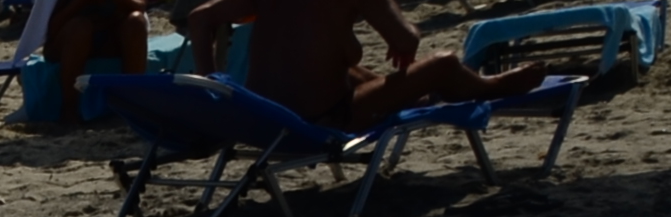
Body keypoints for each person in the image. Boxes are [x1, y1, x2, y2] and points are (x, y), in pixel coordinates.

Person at [184, 0, 542, 125]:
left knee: (349, 69)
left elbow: (200, 18)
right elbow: (406, 40)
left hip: (263, 115)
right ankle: (492, 86)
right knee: (444, 63)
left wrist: (210, 80)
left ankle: (419, 95)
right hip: (322, 118)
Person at [21, 0, 144, 119]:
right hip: (67, 41)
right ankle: (69, 108)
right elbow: (49, 30)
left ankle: (132, 102)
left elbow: (140, 6)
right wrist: (79, 3)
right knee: (79, 28)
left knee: (136, 21)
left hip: (109, 39)